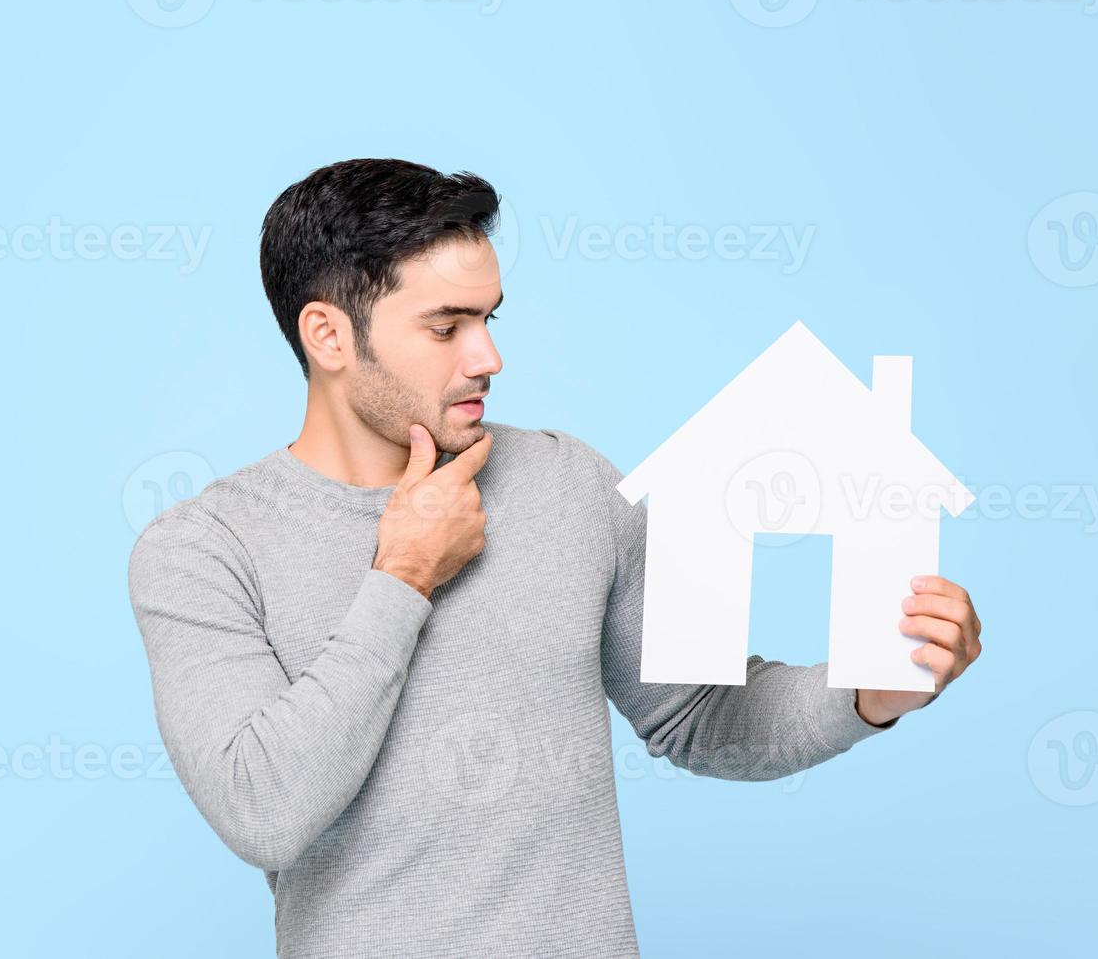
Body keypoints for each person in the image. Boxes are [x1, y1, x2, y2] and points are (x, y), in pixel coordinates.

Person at [126, 158, 983, 957]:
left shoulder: (569, 482)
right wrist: (403, 577)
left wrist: (866, 695)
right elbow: (262, 812)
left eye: (488, 318)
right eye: (445, 326)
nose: (487, 357)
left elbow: (697, 718)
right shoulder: (202, 551)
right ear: (328, 335)